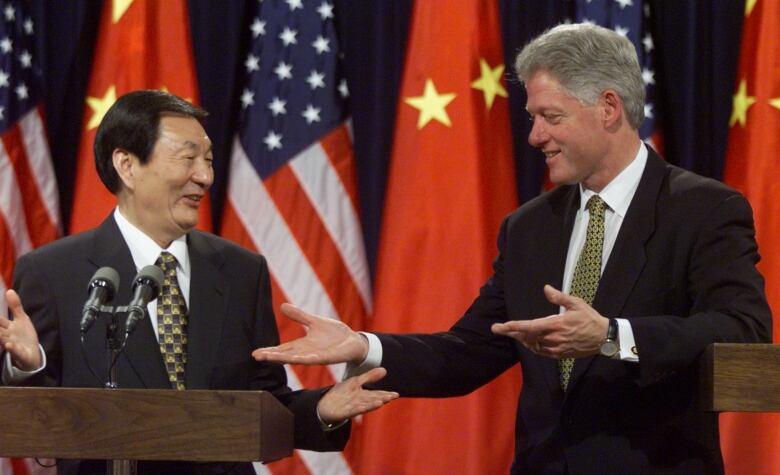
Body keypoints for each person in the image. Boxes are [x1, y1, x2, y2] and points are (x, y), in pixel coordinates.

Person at [253, 23, 772, 474]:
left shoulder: (702, 208)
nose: (534, 135)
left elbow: (743, 329)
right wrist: (364, 346)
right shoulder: (530, 227)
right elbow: (470, 351)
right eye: (533, 117)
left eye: (550, 116)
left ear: (609, 107)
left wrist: (614, 336)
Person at [3, 90, 397, 474]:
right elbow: (34, 417)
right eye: (188, 158)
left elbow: (263, 403)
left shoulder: (241, 270)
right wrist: (27, 367)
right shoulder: (53, 272)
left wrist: (322, 409)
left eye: (208, 160)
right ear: (126, 165)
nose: (205, 176)